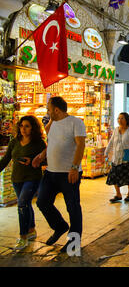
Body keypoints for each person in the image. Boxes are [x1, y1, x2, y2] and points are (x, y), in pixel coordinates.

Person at [32, 96, 86, 253]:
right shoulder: (53, 123)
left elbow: (80, 145)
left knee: (73, 207)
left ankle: (74, 242)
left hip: (69, 173)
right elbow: (52, 143)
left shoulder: (76, 122)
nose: (47, 111)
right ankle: (60, 226)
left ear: (56, 110)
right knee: (42, 202)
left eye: (49, 109)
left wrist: (74, 167)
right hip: (51, 172)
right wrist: (42, 155)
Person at [0, 116, 46, 250]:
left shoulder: (39, 143)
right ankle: (31, 229)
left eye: (27, 126)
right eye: (21, 126)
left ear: (33, 128)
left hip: (32, 178)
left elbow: (46, 160)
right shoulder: (14, 142)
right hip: (17, 178)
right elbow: (6, 159)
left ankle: (23, 236)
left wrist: (33, 161)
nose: (23, 129)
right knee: (25, 204)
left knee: (21, 204)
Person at [105, 112, 129, 203]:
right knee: (114, 175)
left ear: (127, 119)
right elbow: (111, 142)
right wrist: (106, 152)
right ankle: (118, 194)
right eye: (118, 118)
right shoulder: (116, 130)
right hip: (117, 157)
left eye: (122, 118)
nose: (119, 120)